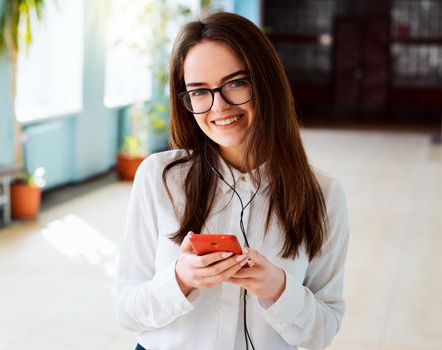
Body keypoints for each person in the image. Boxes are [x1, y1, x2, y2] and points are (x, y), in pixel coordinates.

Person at [116, 11, 349, 350]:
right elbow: (127, 311)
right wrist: (180, 280)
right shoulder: (159, 178)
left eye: (236, 83)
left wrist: (279, 289)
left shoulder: (323, 194)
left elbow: (323, 332)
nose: (219, 106)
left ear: (265, 82)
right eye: (199, 92)